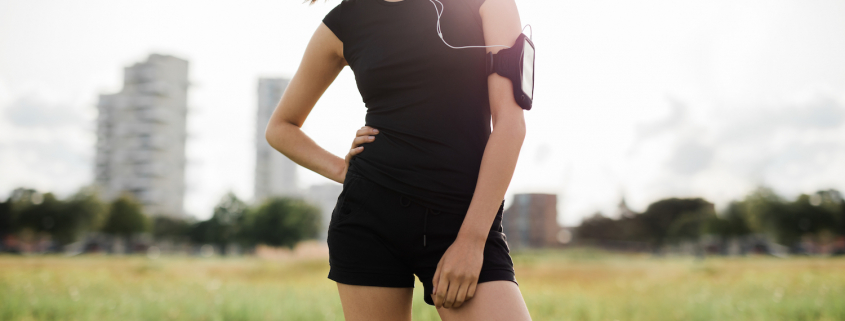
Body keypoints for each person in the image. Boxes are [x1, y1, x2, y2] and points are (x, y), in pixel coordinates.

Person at [265, 0, 531, 319]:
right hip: (369, 219)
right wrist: (342, 168)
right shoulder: (345, 20)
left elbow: (510, 125)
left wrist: (471, 241)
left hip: (462, 217)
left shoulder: (488, 4)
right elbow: (280, 128)